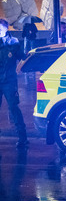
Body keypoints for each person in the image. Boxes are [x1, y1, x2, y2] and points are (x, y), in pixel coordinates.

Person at [0, 19, 28, 147]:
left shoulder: (14, 43)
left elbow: (22, 57)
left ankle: (23, 138)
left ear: (6, 28)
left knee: (14, 108)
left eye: (1, 28)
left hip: (9, 82)